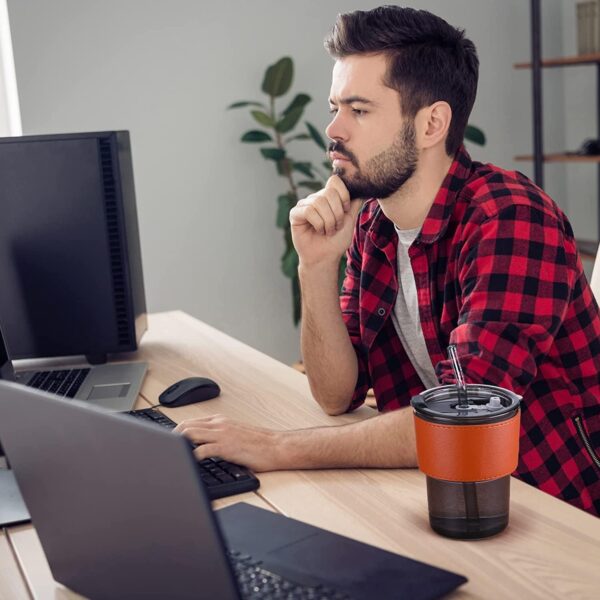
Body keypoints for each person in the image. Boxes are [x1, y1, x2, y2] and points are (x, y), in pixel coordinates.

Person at [175, 6, 600, 516]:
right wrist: (315, 267)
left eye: (359, 109)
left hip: (551, 505)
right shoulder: (374, 223)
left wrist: (276, 446)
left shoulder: (510, 219)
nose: (333, 130)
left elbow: (464, 417)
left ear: (431, 124)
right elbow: (337, 394)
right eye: (335, 107)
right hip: (444, 492)